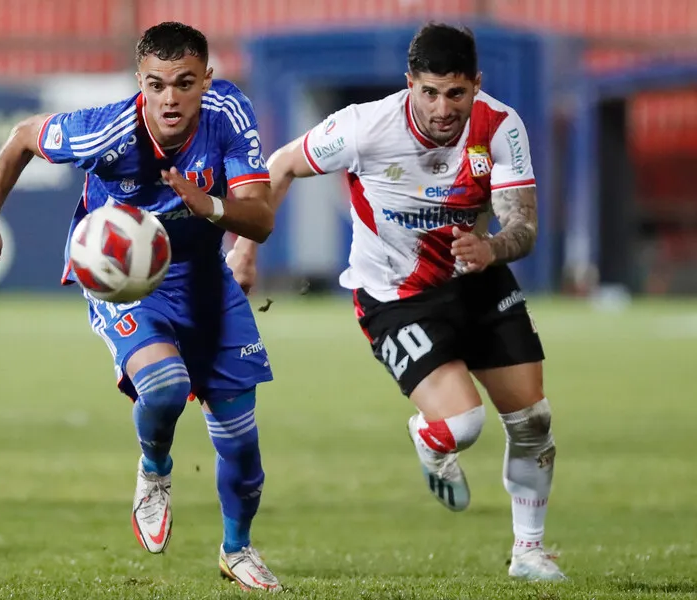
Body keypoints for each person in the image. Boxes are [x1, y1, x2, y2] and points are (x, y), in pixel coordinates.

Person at [228, 23, 565, 581]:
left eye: (456, 93)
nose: (441, 108)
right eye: (429, 92)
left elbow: (524, 225)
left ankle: (528, 552)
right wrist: (245, 252)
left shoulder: (500, 126)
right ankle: (431, 439)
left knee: (533, 420)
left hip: (477, 276)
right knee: (464, 426)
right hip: (396, 296)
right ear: (410, 84)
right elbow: (282, 164)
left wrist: (491, 247)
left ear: (476, 86)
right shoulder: (364, 127)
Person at [0, 21, 281, 592]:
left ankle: (236, 550)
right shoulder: (104, 130)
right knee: (162, 388)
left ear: (207, 81)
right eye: (157, 84)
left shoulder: (229, 114)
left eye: (185, 83)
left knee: (239, 435)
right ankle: (155, 467)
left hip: (204, 278)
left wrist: (208, 205)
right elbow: (20, 138)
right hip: (125, 279)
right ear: (140, 81)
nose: (170, 98)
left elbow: (260, 216)